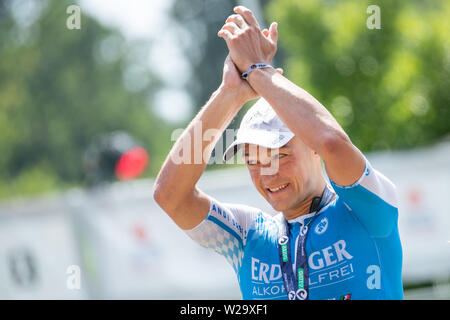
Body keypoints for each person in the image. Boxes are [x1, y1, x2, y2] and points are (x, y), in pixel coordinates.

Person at [153, 6, 403, 300]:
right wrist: (230, 94)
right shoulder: (248, 236)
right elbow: (170, 195)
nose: (267, 174)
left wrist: (258, 69)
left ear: (313, 148)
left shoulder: (363, 208)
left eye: (280, 155)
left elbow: (332, 143)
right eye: (253, 161)